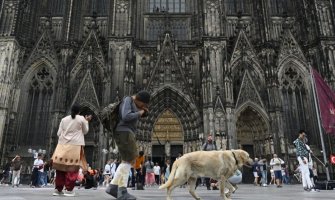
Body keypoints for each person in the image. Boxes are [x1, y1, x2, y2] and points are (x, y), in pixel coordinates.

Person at [105, 90, 150, 200]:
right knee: (129, 159)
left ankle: (113, 187)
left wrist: (141, 112)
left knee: (128, 159)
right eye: (143, 104)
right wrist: (139, 113)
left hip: (126, 132)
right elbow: (126, 116)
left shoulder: (132, 103)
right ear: (139, 100)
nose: (142, 106)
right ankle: (121, 191)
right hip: (124, 132)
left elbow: (130, 115)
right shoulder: (128, 99)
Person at [51, 104, 92, 196]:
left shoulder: (64, 119)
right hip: (75, 146)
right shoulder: (81, 119)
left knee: (61, 168)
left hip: (62, 146)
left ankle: (58, 189)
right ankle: (69, 190)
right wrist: (87, 121)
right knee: (72, 168)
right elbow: (85, 131)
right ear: (79, 111)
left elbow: (58, 133)